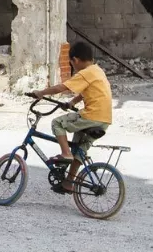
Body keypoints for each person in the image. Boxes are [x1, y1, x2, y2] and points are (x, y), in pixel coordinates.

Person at [32, 42, 112, 193]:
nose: (72, 67)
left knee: (57, 123)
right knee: (79, 150)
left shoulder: (85, 73)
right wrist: (71, 103)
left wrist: (41, 93)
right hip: (104, 119)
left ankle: (65, 153)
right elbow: (85, 92)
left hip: (91, 116)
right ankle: (68, 183)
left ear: (75, 60)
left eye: (71, 64)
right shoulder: (97, 71)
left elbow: (62, 87)